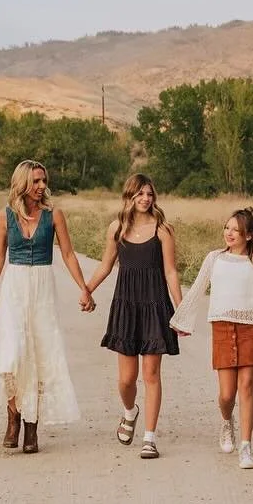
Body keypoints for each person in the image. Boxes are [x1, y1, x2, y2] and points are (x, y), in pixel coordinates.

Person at [169, 207, 253, 469]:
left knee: (247, 385)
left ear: (248, 235)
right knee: (227, 394)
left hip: (251, 328)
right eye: (227, 228)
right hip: (223, 327)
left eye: (235, 230)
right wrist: (182, 319)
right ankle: (227, 422)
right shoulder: (214, 259)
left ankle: (246, 447)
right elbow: (197, 289)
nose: (229, 233)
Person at [0, 160, 92, 453]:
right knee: (12, 354)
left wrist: (84, 287)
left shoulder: (54, 215)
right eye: (36, 181)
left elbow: (68, 254)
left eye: (44, 180)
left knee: (42, 354)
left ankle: (32, 425)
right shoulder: (4, 216)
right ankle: (13, 417)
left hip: (43, 288)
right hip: (15, 289)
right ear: (22, 184)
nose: (42, 186)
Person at [82, 174, 183, 459]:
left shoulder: (163, 230)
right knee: (127, 379)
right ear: (129, 196)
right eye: (140, 194)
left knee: (151, 374)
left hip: (154, 305)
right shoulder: (117, 228)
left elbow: (171, 272)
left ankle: (149, 438)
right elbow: (105, 265)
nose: (145, 199)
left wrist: (181, 309)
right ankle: (130, 412)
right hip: (126, 306)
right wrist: (87, 289)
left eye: (149, 194)